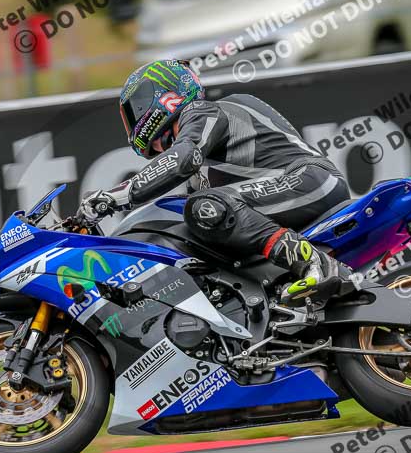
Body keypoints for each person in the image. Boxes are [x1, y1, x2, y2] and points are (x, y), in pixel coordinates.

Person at [78, 59, 353, 304]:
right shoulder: (199, 173)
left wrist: (117, 196)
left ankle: (314, 263)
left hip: (309, 178)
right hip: (292, 190)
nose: (134, 118)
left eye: (136, 106)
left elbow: (183, 158)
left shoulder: (203, 111)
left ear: (165, 94)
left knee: (204, 207)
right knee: (195, 222)